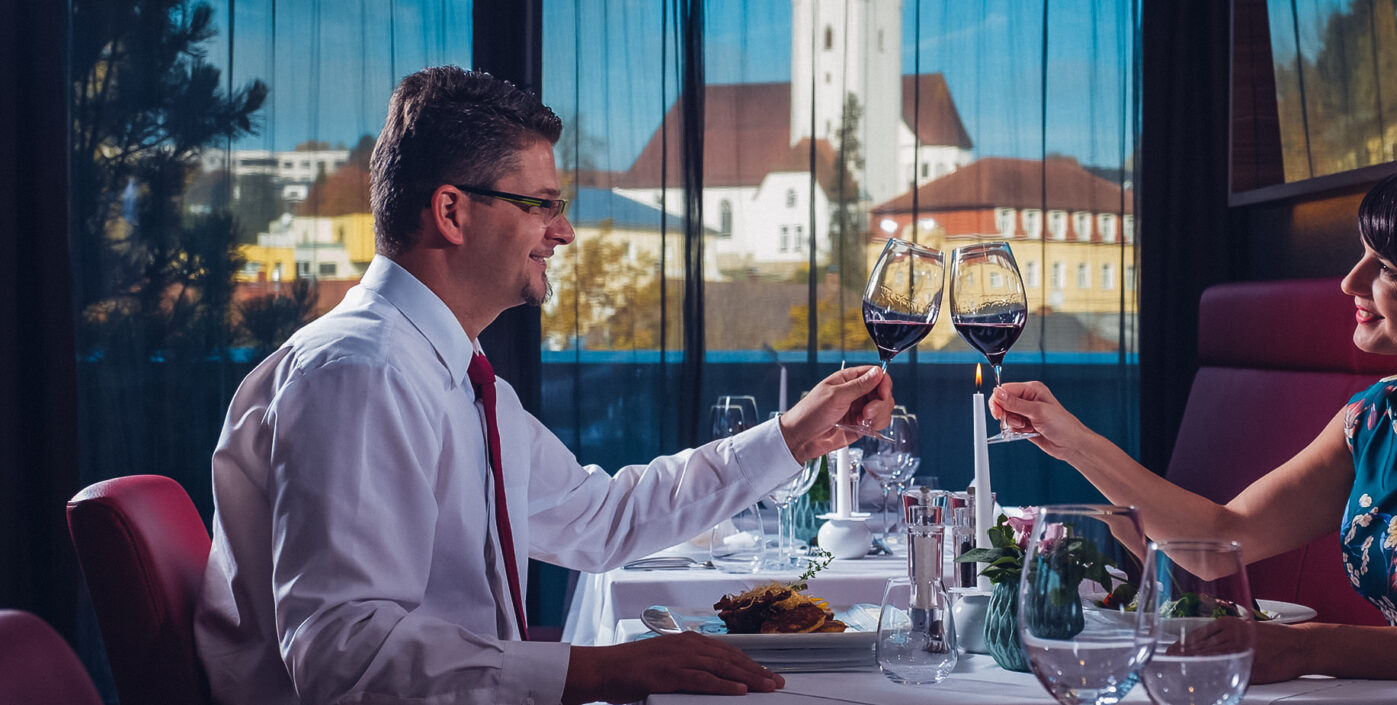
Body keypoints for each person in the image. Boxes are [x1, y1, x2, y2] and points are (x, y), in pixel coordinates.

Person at [195, 66, 893, 705]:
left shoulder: (453, 373)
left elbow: (603, 517)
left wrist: (793, 436)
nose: (563, 232)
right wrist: (596, 671)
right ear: (451, 212)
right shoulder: (361, 374)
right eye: (541, 205)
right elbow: (343, 658)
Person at [991, 162, 1397, 702]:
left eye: (1387, 270)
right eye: (1362, 255)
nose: (1350, 282)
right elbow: (1219, 536)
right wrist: (1072, 441)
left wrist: (1302, 648)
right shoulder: (1376, 415)